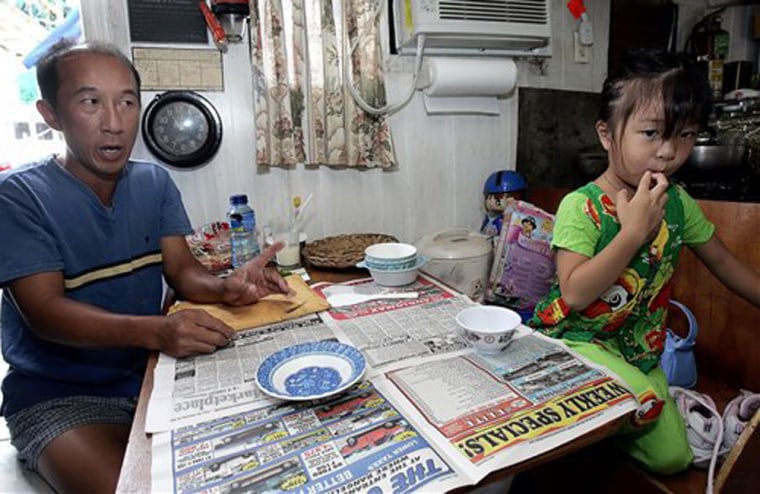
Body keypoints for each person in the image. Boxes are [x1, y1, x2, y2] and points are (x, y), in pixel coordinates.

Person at [0, 41, 291, 493]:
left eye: (127, 102)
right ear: (51, 114)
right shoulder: (17, 196)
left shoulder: (153, 182)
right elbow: (45, 314)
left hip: (152, 374)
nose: (114, 123)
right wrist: (156, 331)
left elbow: (181, 270)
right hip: (57, 393)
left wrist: (225, 287)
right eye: (90, 102)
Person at [529, 48, 760, 475]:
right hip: (577, 346)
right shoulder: (581, 207)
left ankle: (609, 422)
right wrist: (633, 231)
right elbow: (576, 294)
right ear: (606, 134)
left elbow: (725, 264)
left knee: (674, 458)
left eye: (686, 135)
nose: (668, 152)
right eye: (651, 133)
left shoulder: (677, 202)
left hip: (639, 353)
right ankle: (595, 414)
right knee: (641, 407)